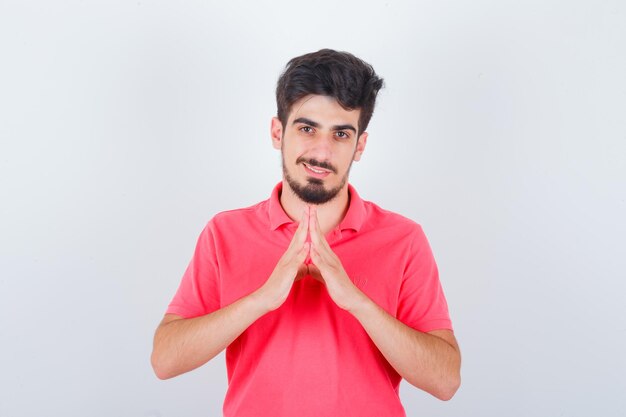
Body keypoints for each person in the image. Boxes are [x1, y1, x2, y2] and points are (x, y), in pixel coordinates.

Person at [151, 48, 461, 416]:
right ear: (277, 132)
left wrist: (357, 301)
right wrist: (262, 298)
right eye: (307, 128)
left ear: (360, 145)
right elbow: (165, 361)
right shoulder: (224, 232)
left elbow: (445, 382)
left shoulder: (404, 238)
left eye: (341, 134)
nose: (321, 151)